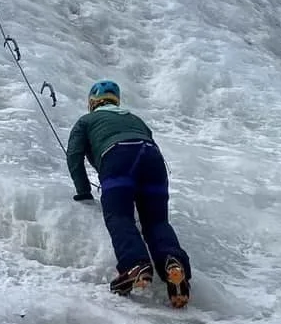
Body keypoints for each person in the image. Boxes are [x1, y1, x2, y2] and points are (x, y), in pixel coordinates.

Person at [67, 80, 192, 307]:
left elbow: (73, 157)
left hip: (118, 158)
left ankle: (135, 265)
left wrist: (83, 192)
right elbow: (148, 140)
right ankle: (174, 264)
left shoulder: (86, 121)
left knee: (119, 216)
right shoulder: (135, 120)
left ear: (92, 102)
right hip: (153, 159)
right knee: (156, 221)